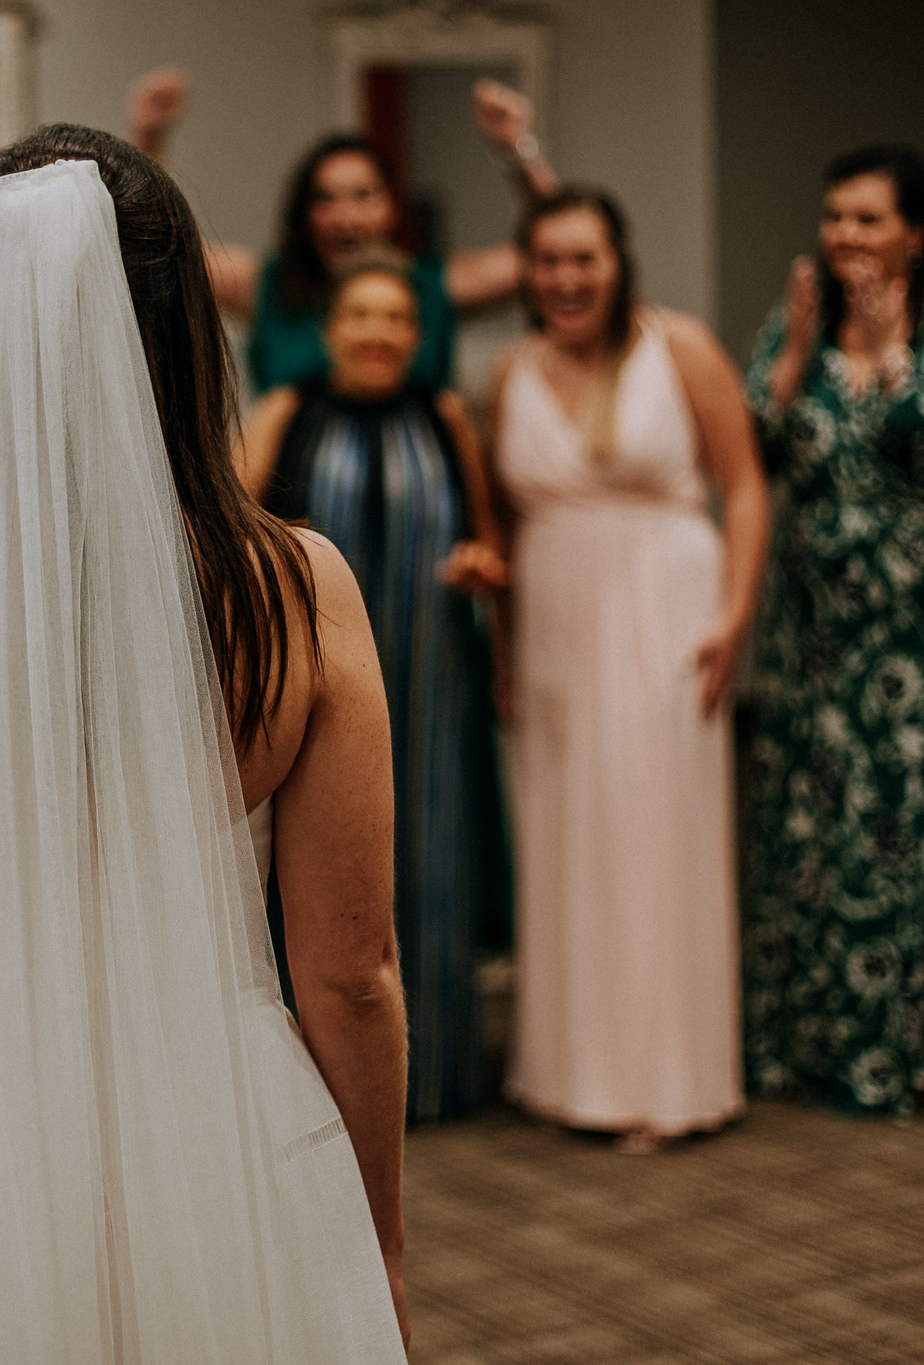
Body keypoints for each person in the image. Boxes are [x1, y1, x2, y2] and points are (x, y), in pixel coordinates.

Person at [0, 131, 409, 1360]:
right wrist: (377, 1244)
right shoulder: (297, 593)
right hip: (223, 1137)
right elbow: (351, 979)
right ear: (183, 331)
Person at [743, 146, 924, 1118]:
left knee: (912, 838)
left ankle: (911, 1054)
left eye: (865, 218)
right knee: (813, 833)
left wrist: (889, 353)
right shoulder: (803, 319)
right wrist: (791, 355)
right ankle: (808, 1043)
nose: (842, 236)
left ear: (914, 229)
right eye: (832, 216)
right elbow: (748, 448)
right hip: (821, 634)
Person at [483, 188, 770, 1152]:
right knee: (568, 839)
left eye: (585, 259)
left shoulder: (677, 346)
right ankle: (570, 1075)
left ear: (619, 261)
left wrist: (734, 615)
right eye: (549, 261)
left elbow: (744, 487)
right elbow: (508, 526)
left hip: (666, 608)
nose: (567, 279)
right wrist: (506, 647)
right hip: (557, 618)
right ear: (525, 270)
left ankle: (665, 1080)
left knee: (654, 831)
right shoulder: (510, 371)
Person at [238, 247, 511, 1122]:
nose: (379, 332)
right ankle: (311, 1088)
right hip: (317, 674)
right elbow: (233, 534)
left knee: (430, 848)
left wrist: (479, 563)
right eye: (362, 315)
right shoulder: (288, 413)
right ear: (327, 332)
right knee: (315, 858)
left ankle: (433, 1079)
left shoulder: (442, 417)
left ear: (417, 334)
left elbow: (488, 539)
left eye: (397, 317)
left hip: (429, 670)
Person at [129, 68, 559, 393]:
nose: (345, 217)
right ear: (304, 212)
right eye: (325, 199)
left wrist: (516, 150)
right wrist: (151, 138)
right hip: (291, 507)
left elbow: (551, 251)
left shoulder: (434, 286)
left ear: (392, 208)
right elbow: (168, 248)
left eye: (363, 196)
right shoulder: (267, 286)